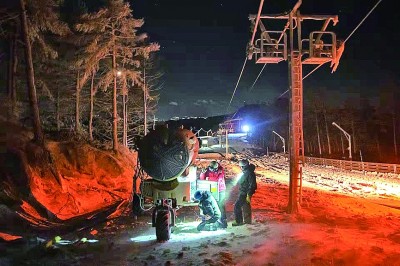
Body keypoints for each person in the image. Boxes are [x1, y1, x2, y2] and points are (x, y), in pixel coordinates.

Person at [199, 160, 227, 228]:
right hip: (211, 189)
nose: (214, 170)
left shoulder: (221, 171)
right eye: (212, 169)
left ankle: (223, 222)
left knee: (220, 205)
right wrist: (202, 173)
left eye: (215, 169)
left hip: (220, 190)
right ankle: (210, 220)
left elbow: (218, 180)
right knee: (210, 205)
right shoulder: (207, 171)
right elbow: (202, 179)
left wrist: (211, 179)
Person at [232, 159, 257, 226]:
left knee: (237, 206)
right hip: (244, 192)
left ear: (244, 166)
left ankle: (239, 221)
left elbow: (252, 185)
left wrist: (249, 194)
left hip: (245, 193)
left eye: (241, 166)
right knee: (246, 206)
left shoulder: (249, 173)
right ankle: (247, 221)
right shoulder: (246, 172)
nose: (241, 168)